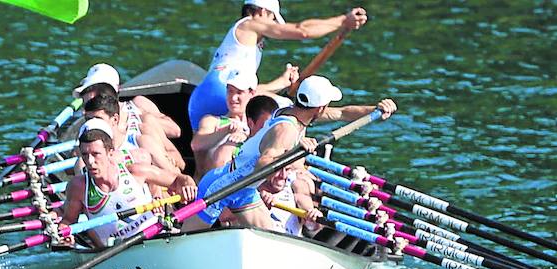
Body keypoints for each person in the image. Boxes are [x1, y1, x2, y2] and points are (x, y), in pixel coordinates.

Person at [189, 76, 395, 231]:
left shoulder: (291, 110)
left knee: (273, 242)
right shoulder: (286, 131)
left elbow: (342, 113)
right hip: (220, 187)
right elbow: (264, 163)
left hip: (244, 191)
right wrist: (295, 152)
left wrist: (375, 110)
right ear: (320, 107)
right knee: (184, 244)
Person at [187, 0, 368, 127]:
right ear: (262, 12)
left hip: (198, 104)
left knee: (285, 102)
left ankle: (354, 113)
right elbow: (302, 31)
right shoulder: (251, 23)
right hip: (222, 97)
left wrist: (281, 83)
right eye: (273, 19)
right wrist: (343, 20)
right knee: (300, 109)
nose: (273, 25)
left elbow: (248, 91)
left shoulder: (239, 42)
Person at [60, 119, 197, 248]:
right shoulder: (78, 187)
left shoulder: (135, 172)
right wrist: (63, 233)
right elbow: (68, 221)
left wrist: (188, 184)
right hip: (114, 254)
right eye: (85, 155)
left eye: (96, 154)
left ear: (110, 153)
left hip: (155, 240)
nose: (89, 161)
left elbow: (179, 180)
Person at [191, 69, 257, 177]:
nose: (233, 98)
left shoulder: (257, 124)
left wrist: (246, 137)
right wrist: (226, 131)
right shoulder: (212, 121)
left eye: (239, 92)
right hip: (213, 185)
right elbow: (196, 145)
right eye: (230, 91)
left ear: (252, 93)